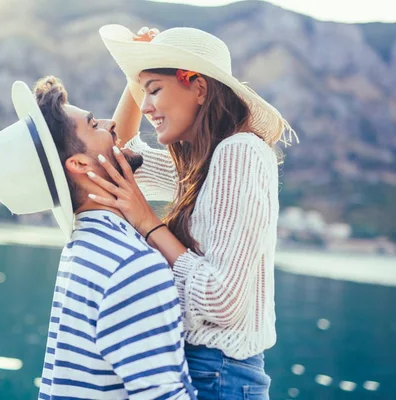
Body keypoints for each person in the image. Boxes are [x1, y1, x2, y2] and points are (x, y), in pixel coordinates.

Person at [83, 25, 299, 399]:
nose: (146, 105)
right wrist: (138, 72)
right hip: (199, 369)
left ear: (199, 88)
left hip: (218, 375)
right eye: (144, 92)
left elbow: (222, 301)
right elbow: (115, 160)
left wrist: (147, 223)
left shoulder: (239, 153)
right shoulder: (205, 162)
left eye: (155, 90)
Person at [0, 76, 197, 399]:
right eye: (93, 124)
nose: (111, 123)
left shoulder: (81, 250)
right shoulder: (132, 267)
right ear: (80, 164)